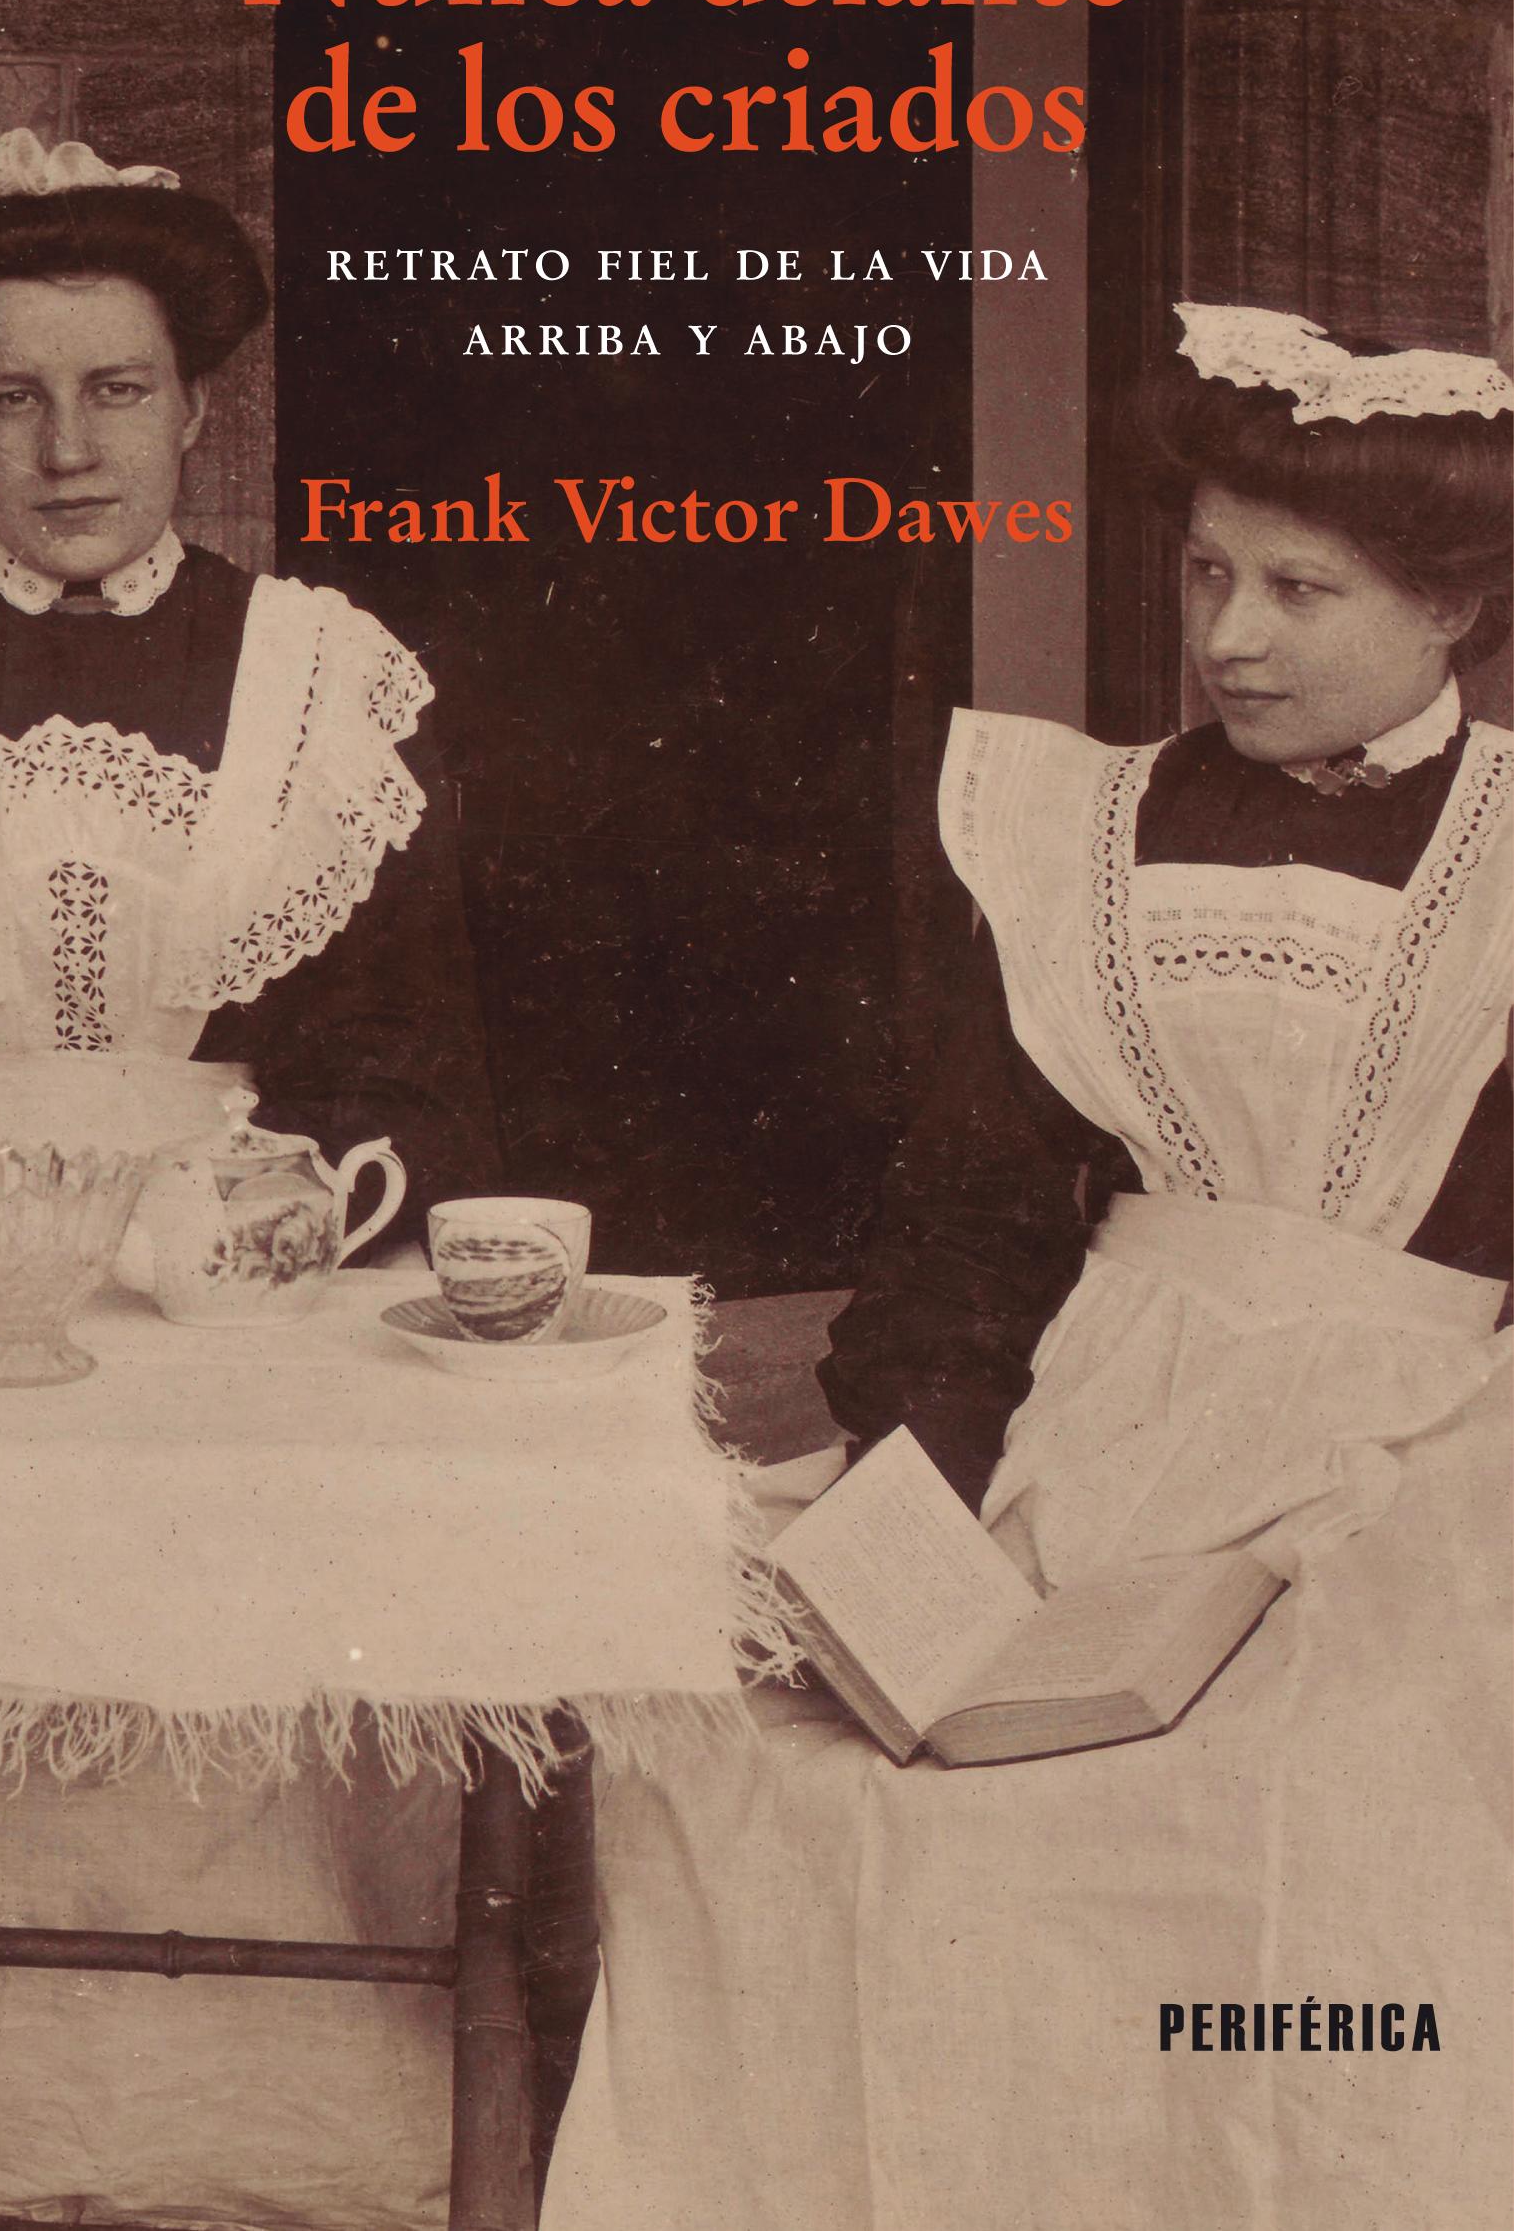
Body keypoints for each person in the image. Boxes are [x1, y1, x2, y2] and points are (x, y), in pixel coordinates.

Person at [542, 306, 1514, 2231]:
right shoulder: (1081, 830)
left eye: (1299, 589)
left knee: (1314, 1805)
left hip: (1418, 1455)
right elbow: (975, 1212)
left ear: (1449, 610)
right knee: (745, 1756)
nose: (1229, 634)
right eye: (1207, 572)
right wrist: (922, 1501)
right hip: (1096, 1426)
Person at [0, 128, 498, 1234]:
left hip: (233, 1264)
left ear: (193, 406)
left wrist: (236, 1226)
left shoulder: (327, 672)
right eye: (12, 398)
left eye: (117, 389)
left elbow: (410, 1081)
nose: (68, 451)